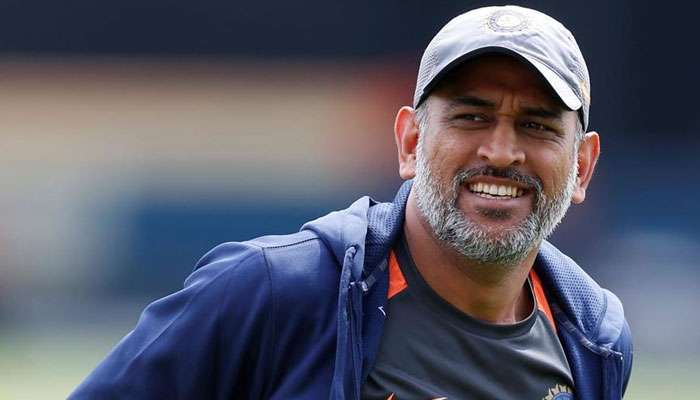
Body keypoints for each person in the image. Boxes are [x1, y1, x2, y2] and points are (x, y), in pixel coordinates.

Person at [70, 5, 632, 400]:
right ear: (410, 142)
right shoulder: (272, 291)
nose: (501, 151)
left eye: (536, 125)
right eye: (471, 117)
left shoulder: (594, 340)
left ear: (581, 166)